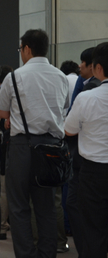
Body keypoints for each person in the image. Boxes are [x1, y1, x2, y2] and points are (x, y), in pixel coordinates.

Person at [0, 29, 69, 258]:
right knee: (46, 207)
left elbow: (0, 111)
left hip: (22, 148)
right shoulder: (60, 76)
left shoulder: (15, 76)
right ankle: (47, 254)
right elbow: (63, 109)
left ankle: (26, 254)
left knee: (19, 207)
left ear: (27, 49)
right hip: (51, 149)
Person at [64, 42, 108, 258]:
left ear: (98, 68)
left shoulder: (87, 97)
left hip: (93, 173)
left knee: (93, 230)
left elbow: (69, 130)